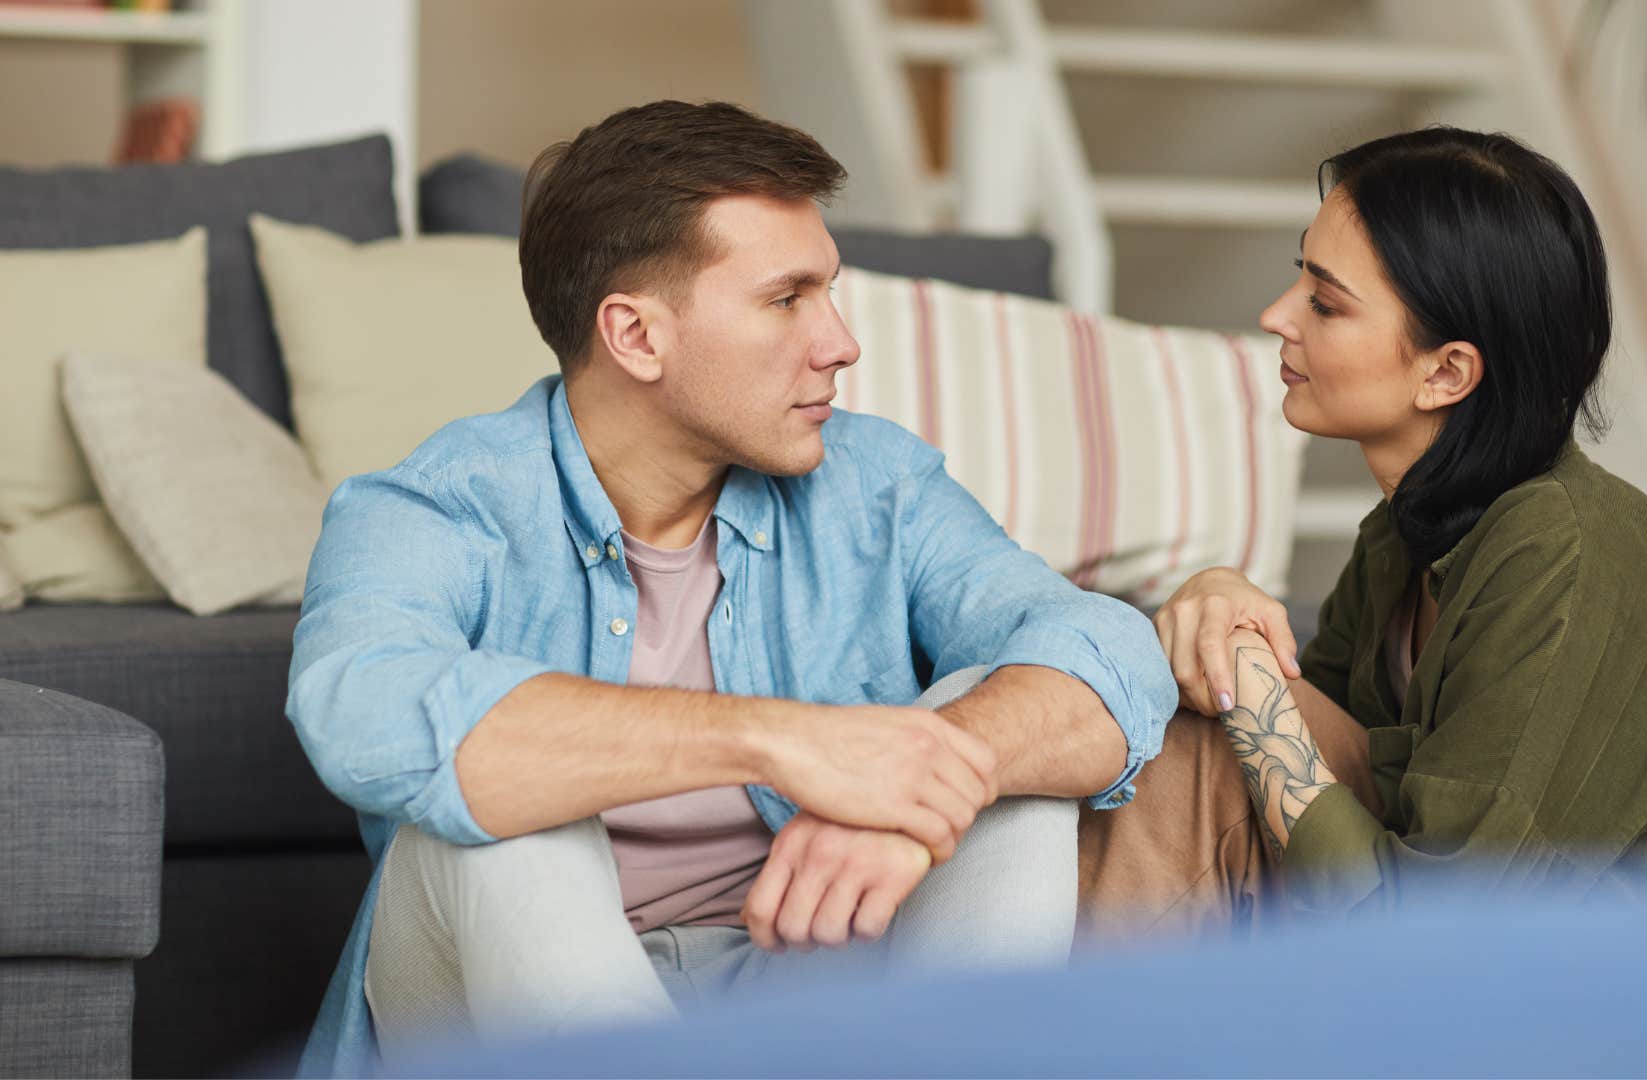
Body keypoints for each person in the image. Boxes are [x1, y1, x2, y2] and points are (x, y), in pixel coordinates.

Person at [286, 100, 1176, 1078]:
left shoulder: (874, 484)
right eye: (788, 298)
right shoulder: (435, 507)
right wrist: (783, 741)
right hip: (500, 1014)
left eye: (828, 294)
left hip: (808, 983)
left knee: (993, 745)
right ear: (635, 336)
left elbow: (1104, 649)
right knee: (507, 816)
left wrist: (912, 786)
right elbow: (356, 708)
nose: (839, 342)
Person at [1085, 126, 1647, 925]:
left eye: (1325, 302)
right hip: (1533, 972)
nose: (1277, 316)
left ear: (1447, 371)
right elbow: (1296, 737)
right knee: (1193, 735)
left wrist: (1245, 685)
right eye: (1301, 280)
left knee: (1213, 734)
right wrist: (1225, 609)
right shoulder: (1404, 533)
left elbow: (1431, 936)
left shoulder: (1557, 560)